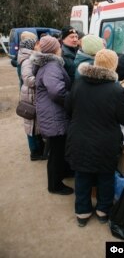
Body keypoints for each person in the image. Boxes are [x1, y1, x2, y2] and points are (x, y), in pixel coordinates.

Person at [65, 49, 124, 227]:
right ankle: (103, 211)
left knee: (82, 176)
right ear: (113, 65)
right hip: (105, 142)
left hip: (79, 139)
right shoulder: (115, 89)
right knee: (105, 177)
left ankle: (82, 212)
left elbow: (68, 108)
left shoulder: (79, 83)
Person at [31, 36, 73, 195]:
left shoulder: (47, 63)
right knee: (56, 152)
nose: (61, 48)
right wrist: (71, 101)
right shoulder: (52, 65)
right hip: (54, 114)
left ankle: (63, 173)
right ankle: (54, 185)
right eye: (59, 46)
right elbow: (56, 91)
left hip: (52, 112)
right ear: (54, 49)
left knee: (60, 148)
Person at [17, 37, 46, 161]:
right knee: (31, 125)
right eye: (36, 44)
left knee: (34, 125)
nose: (39, 45)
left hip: (31, 94)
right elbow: (28, 79)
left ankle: (38, 149)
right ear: (31, 46)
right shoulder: (28, 60)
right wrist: (43, 80)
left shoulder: (30, 57)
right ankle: (34, 153)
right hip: (30, 96)